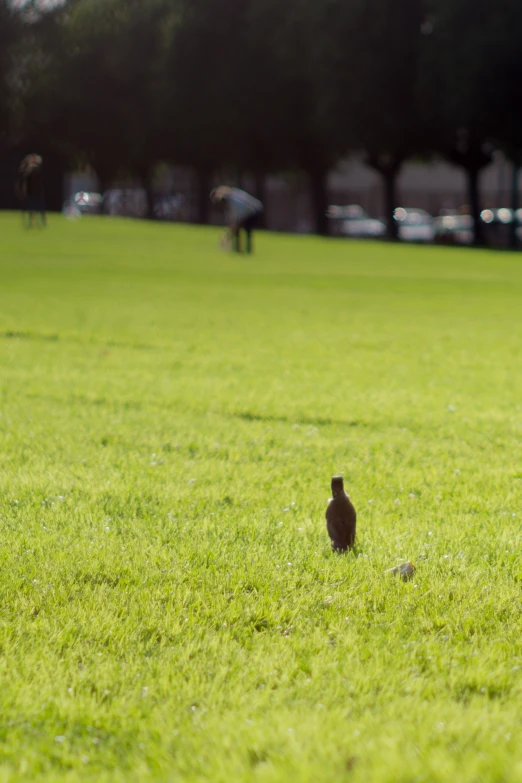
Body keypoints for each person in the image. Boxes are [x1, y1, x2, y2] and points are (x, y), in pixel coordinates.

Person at [211, 185, 263, 254]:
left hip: (254, 211)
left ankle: (246, 250)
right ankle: (238, 249)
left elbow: (237, 221)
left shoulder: (234, 202)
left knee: (247, 230)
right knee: (238, 230)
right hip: (250, 210)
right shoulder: (233, 195)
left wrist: (228, 236)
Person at [17, 154, 46, 228]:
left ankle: (42, 223)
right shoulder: (27, 172)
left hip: (37, 192)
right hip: (30, 193)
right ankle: (31, 223)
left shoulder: (37, 170)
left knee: (40, 209)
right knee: (31, 209)